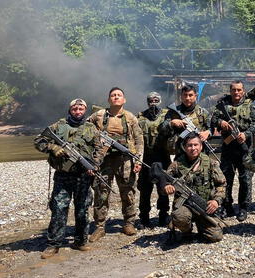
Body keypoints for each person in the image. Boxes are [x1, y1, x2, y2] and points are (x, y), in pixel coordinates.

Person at [33, 98, 103, 259]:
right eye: (75, 109)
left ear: (85, 110)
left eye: (81, 109)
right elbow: (38, 141)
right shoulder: (58, 126)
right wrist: (53, 147)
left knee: (82, 210)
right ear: (70, 110)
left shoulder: (91, 128)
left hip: (83, 176)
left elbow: (99, 150)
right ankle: (54, 244)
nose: (78, 112)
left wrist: (95, 166)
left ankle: (80, 241)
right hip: (63, 176)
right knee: (58, 209)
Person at [88, 87, 144, 242]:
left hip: (125, 160)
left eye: (119, 95)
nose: (116, 97)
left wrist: (138, 160)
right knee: (101, 192)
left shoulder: (130, 117)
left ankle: (129, 223)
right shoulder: (98, 115)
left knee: (128, 192)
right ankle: (99, 227)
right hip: (103, 160)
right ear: (108, 100)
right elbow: (85, 132)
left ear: (124, 100)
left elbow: (139, 140)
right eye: (113, 95)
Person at [211, 80, 255, 221]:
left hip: (245, 148)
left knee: (245, 179)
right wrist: (221, 122)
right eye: (234, 90)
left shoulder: (250, 106)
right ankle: (227, 207)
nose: (236, 92)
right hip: (228, 148)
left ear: (243, 91)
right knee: (226, 178)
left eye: (239, 90)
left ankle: (243, 208)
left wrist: (246, 134)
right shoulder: (222, 105)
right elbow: (212, 118)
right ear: (230, 91)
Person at [161, 133, 226, 243]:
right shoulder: (177, 164)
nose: (193, 148)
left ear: (201, 146)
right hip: (185, 205)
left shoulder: (210, 163)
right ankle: (186, 231)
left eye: (196, 145)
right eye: (189, 145)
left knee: (216, 236)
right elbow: (165, 180)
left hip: (203, 206)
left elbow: (221, 184)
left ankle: (201, 227)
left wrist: (216, 201)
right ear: (184, 147)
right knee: (180, 217)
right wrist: (166, 187)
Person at [137, 92, 170, 227]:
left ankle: (163, 215)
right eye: (151, 100)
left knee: (163, 188)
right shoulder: (140, 117)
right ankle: (144, 218)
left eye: (156, 100)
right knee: (145, 190)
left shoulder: (166, 116)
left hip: (162, 157)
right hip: (146, 158)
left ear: (160, 101)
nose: (153, 103)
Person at [159, 84, 211, 157]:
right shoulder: (173, 112)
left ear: (195, 96)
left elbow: (211, 127)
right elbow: (161, 129)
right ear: (181, 97)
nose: (187, 98)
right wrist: (171, 123)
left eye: (190, 95)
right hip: (179, 152)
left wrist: (208, 132)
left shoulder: (203, 113)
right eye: (185, 95)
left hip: (199, 153)